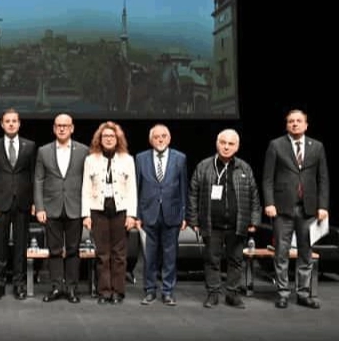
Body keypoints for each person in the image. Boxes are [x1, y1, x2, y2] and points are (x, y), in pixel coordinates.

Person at [263, 109, 329, 309]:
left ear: (306, 125)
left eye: (299, 121)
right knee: (281, 253)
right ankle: (283, 293)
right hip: (282, 208)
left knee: (305, 253)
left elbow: (323, 179)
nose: (294, 124)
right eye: (291, 121)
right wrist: (269, 203)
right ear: (286, 125)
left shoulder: (317, 146)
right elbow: (267, 178)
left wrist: (323, 206)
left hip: (308, 209)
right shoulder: (276, 145)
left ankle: (303, 293)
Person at [188, 128, 261, 309]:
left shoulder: (244, 168)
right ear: (217, 144)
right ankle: (213, 293)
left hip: (237, 224)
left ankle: (232, 294)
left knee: (236, 261)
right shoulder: (204, 166)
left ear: (237, 147)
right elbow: (193, 194)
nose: (226, 147)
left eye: (231, 144)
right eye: (223, 143)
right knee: (211, 260)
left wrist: (254, 220)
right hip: (211, 224)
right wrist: (194, 220)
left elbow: (254, 196)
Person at [33, 113, 89, 303]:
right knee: (54, 250)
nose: (62, 128)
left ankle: (72, 288)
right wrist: (40, 207)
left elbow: (88, 182)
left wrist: (86, 210)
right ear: (54, 128)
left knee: (73, 250)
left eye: (65, 125)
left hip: (75, 207)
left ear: (72, 128)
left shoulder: (84, 150)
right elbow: (38, 180)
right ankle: (57, 287)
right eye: (58, 125)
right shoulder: (43, 151)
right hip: (51, 207)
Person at [82, 121, 137, 305]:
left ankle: (118, 292)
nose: (108, 139)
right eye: (105, 136)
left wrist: (131, 215)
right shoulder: (91, 159)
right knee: (102, 254)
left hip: (120, 210)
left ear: (117, 138)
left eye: (112, 136)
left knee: (119, 254)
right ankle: (104, 291)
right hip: (98, 210)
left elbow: (132, 189)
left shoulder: (127, 159)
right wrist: (86, 214)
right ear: (99, 139)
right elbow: (86, 188)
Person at [0, 108, 36, 300]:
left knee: (20, 246)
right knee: (0, 245)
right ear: (2, 124)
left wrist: (34, 202)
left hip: (23, 202)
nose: (11, 124)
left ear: (19, 123)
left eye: (14, 121)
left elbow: (33, 176)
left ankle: (19, 284)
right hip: (0, 202)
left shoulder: (29, 146)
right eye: (7, 121)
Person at [135, 123, 188, 306]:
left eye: (163, 136)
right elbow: (137, 187)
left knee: (169, 256)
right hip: (148, 213)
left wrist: (184, 214)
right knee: (150, 256)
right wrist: (137, 215)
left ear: (169, 138)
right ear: (151, 140)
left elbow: (183, 187)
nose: (160, 139)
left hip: (172, 213)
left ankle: (167, 291)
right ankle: (150, 290)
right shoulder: (141, 158)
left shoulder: (180, 158)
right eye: (156, 137)